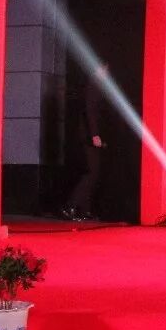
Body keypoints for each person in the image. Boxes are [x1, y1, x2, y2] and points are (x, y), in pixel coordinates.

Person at [62, 62, 107, 221]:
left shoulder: (96, 86)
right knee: (91, 172)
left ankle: (84, 210)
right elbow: (89, 111)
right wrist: (94, 135)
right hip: (88, 137)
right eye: (104, 69)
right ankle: (70, 206)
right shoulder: (93, 85)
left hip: (90, 136)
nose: (106, 72)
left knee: (94, 172)